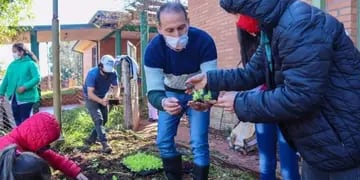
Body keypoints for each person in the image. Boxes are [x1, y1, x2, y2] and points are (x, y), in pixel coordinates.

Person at [186, 0, 360, 179]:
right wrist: (210, 79)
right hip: (320, 145)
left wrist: (239, 103)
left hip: (343, 143)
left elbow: (300, 96)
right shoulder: (274, 27)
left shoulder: (300, 24)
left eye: (237, 14)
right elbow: (252, 72)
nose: (238, 22)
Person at [144, 2, 217, 179]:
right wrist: (163, 102)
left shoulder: (204, 41)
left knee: (199, 143)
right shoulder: (153, 50)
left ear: (188, 23)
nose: (177, 35)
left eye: (181, 28)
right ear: (159, 29)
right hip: (169, 93)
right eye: (170, 30)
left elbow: (212, 81)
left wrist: (204, 100)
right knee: (163, 140)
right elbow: (153, 91)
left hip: (198, 91)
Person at [235, 15, 300, 180]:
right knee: (266, 161)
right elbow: (249, 73)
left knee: (288, 164)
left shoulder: (282, 34)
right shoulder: (252, 43)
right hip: (262, 104)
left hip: (283, 104)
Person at [0, 112, 88, 180]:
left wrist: (76, 172)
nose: (48, 147)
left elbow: (55, 159)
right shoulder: (10, 152)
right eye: (46, 144)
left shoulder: (27, 143)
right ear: (37, 138)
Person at [83, 54, 119, 154]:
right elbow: (90, 94)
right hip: (91, 98)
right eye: (105, 71)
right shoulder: (92, 74)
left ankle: (91, 139)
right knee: (99, 119)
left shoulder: (113, 73)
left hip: (103, 96)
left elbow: (116, 87)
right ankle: (105, 144)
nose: (107, 74)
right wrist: (101, 101)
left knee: (104, 120)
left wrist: (114, 97)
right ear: (100, 66)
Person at [0, 43, 41, 126]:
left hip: (27, 98)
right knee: (17, 122)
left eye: (15, 51)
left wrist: (24, 87)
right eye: (13, 52)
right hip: (13, 98)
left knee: (24, 121)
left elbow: (37, 78)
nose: (13, 54)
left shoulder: (31, 64)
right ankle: (21, 138)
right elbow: (6, 80)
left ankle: (27, 138)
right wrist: (1, 93)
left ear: (21, 52)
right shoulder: (12, 65)